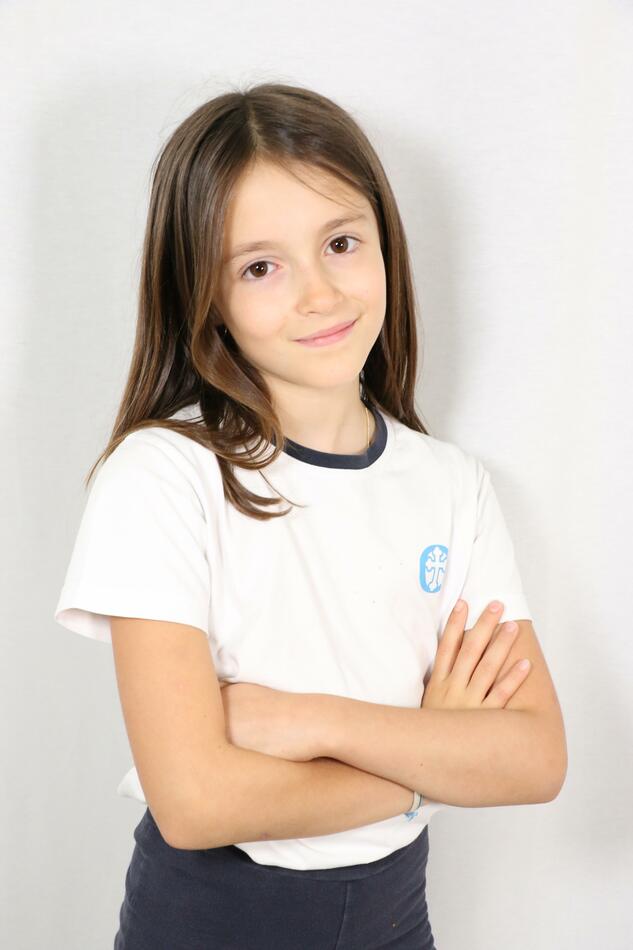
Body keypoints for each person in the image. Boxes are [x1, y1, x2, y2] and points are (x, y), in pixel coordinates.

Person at [54, 82, 565, 949]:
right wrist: (431, 759)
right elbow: (195, 803)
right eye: (260, 267)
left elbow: (533, 760)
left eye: (339, 243)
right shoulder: (165, 476)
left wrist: (311, 723)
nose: (319, 294)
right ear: (204, 296)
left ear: (384, 242)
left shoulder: (452, 484)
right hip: (210, 921)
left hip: (395, 918)